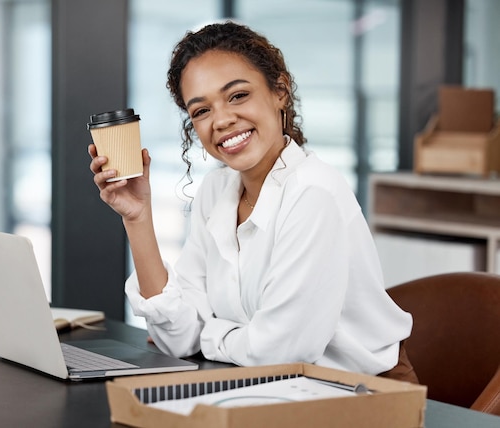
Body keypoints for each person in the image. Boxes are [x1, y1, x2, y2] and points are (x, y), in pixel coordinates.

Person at [89, 21, 417, 382]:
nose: (223, 120)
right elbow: (178, 337)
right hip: (264, 385)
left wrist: (208, 335)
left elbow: (281, 352)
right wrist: (138, 218)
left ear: (280, 91)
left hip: (358, 396)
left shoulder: (313, 195)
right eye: (201, 111)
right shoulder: (216, 191)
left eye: (238, 95)